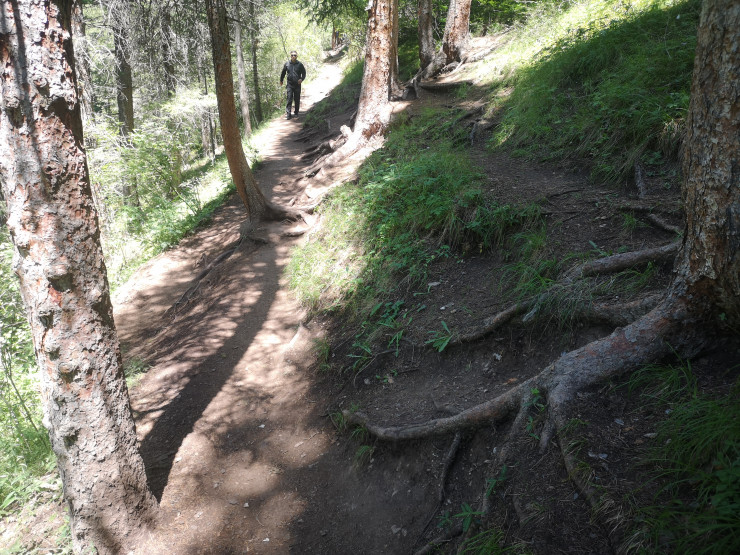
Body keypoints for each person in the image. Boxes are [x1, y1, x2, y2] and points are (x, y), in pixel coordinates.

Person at [279, 51, 306, 120]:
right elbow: (283, 73)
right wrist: (281, 80)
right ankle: (288, 114)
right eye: (292, 55)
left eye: (294, 55)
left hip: (297, 84)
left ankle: (296, 113)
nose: (293, 56)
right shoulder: (287, 64)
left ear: (297, 56)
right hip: (289, 84)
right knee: (289, 99)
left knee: (297, 99)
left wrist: (301, 79)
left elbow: (304, 73)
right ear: (290, 56)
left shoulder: (300, 64)